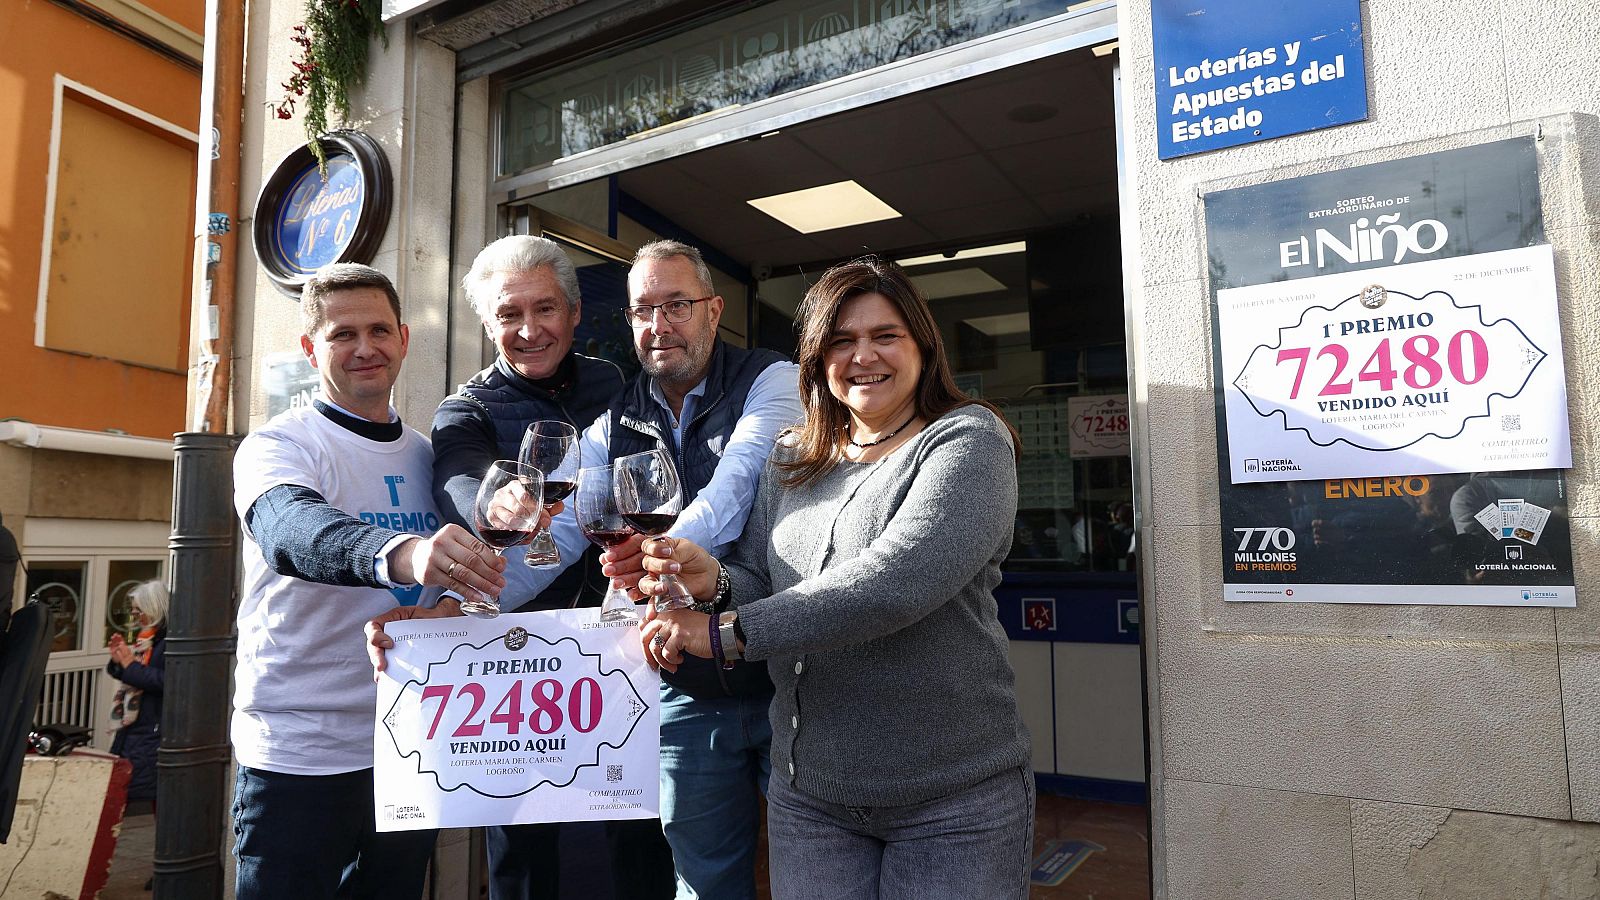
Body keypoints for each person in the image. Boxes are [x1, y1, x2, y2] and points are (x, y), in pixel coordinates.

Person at [369, 239, 802, 900]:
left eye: (677, 305)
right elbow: (561, 531)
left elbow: (735, 488)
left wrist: (659, 551)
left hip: (782, 672)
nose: (660, 325)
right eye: (642, 310)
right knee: (701, 882)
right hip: (676, 685)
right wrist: (445, 617)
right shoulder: (611, 419)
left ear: (714, 310)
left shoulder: (772, 379)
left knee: (814, 872)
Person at [632, 256, 1034, 898]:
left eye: (885, 336)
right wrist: (716, 582)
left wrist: (723, 632)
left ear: (923, 347)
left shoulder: (968, 441)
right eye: (841, 341)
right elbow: (763, 575)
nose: (862, 355)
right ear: (818, 359)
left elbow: (894, 583)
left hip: (950, 799)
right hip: (810, 796)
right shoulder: (795, 455)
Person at [231, 263, 511, 900]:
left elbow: (459, 580)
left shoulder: (425, 453)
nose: (365, 348)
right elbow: (289, 530)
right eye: (341, 334)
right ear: (310, 348)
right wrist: (404, 554)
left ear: (405, 340)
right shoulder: (279, 445)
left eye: (380, 329)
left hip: (409, 739)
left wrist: (448, 603)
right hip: (300, 747)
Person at [429, 235, 671, 899]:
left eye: (545, 309)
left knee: (637, 825)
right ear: (487, 324)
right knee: (522, 839)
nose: (530, 330)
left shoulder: (614, 384)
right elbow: (456, 480)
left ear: (572, 313)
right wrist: (493, 499)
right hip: (517, 661)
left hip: (616, 643)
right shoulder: (466, 408)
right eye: (509, 315)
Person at [106, 579, 166, 810]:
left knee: (154, 797)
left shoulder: (166, 642)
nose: (133, 614)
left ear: (154, 609)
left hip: (152, 728)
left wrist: (129, 665)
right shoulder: (147, 640)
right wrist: (118, 661)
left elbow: (163, 681)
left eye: (138, 609)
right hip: (139, 728)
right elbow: (137, 674)